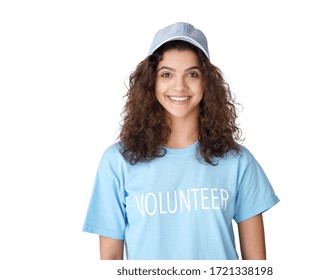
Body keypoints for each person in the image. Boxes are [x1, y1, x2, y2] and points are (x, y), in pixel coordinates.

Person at [82, 22, 279, 260]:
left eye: (192, 74)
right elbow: (110, 262)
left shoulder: (238, 161)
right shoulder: (118, 161)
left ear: (207, 82)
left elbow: (256, 266)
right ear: (151, 82)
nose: (179, 85)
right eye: (167, 74)